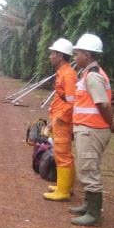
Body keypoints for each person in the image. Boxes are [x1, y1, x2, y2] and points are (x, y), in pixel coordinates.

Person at [69, 33, 114, 226]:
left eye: (77, 54)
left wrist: (112, 124)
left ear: (87, 54)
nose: (75, 57)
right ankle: (87, 205)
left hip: (92, 130)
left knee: (89, 168)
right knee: (86, 166)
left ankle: (93, 214)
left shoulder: (93, 76)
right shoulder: (88, 75)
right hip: (88, 129)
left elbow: (103, 105)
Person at [43, 38, 78, 201]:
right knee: (61, 153)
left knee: (63, 154)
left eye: (52, 53)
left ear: (60, 55)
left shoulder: (68, 75)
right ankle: (64, 186)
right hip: (60, 119)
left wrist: (58, 120)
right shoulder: (63, 73)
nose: (50, 56)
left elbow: (71, 102)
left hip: (63, 122)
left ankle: (63, 192)